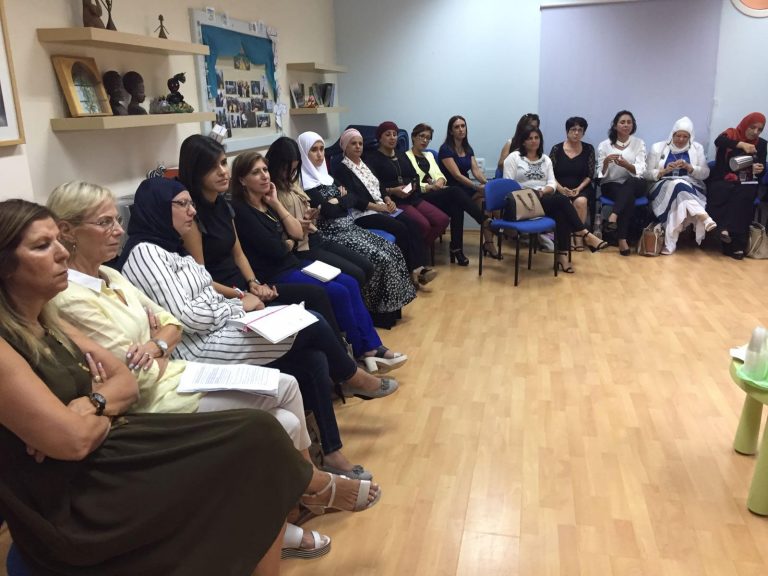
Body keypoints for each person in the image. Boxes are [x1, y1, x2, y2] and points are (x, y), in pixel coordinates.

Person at [0, 198, 314, 575]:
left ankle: (308, 491)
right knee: (253, 446)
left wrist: (92, 403)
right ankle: (316, 485)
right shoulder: (13, 339)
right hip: (73, 497)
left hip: (111, 447)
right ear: (5, 266)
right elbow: (76, 440)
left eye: (57, 240)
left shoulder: (48, 318)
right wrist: (102, 403)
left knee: (260, 429)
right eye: (42, 246)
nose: (62, 253)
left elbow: (126, 382)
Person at [51, 180, 395, 487]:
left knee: (313, 355)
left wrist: (160, 339)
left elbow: (172, 319)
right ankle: (349, 381)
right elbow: (183, 322)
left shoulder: (120, 271)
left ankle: (327, 455)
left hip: (200, 343)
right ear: (67, 231)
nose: (117, 230)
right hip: (196, 354)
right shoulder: (140, 255)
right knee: (312, 321)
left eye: (117, 220)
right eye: (105, 222)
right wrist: (232, 309)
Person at [230, 150, 407, 373]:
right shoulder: (242, 211)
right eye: (256, 172)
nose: (265, 175)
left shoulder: (268, 203)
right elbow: (276, 249)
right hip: (275, 274)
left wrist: (276, 204)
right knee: (338, 292)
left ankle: (372, 346)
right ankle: (360, 352)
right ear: (242, 180)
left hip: (293, 262)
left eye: (265, 170)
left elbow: (296, 233)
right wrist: (288, 242)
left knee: (350, 282)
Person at [176, 134, 341, 341]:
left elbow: (239, 254)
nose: (223, 171)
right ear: (195, 171)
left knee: (327, 296)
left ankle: (349, 354)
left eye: (224, 163)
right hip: (225, 296)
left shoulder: (223, 205)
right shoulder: (192, 215)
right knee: (316, 312)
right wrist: (244, 294)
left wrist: (253, 283)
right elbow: (201, 279)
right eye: (212, 167)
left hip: (247, 285)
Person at [298, 131, 417, 321]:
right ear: (304, 153)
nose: (320, 154)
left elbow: (350, 199)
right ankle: (378, 312)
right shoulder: (305, 184)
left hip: (349, 226)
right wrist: (340, 199)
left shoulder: (327, 176)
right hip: (332, 234)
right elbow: (329, 210)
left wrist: (338, 201)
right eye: (314, 150)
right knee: (380, 258)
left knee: (392, 250)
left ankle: (393, 309)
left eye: (321, 149)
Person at [334, 127, 441, 285]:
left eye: (360, 143)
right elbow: (353, 199)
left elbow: (380, 185)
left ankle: (419, 269)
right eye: (353, 143)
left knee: (413, 224)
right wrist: (379, 207)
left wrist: (387, 199)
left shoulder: (364, 163)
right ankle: (407, 273)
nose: (358, 147)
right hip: (363, 214)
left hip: (382, 207)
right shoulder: (341, 169)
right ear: (344, 146)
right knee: (400, 228)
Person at [267, 136, 374, 288]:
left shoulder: (291, 183)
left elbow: (352, 198)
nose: (289, 174)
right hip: (303, 245)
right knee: (356, 274)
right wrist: (336, 202)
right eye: (286, 170)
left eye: (293, 170)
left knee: (367, 267)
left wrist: (309, 215)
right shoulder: (273, 191)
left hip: (316, 236)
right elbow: (327, 211)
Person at [503, 126, 607, 273]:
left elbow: (552, 183)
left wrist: (542, 192)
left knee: (561, 212)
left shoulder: (545, 159)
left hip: (542, 199)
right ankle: (584, 234)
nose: (534, 141)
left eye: (536, 138)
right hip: (521, 202)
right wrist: (532, 193)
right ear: (523, 141)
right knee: (562, 201)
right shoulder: (514, 158)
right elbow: (508, 184)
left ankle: (563, 256)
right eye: (529, 138)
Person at [363, 121, 447, 282]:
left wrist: (410, 188)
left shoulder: (401, 155)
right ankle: (418, 265)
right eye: (388, 134)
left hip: (412, 197)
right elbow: (375, 186)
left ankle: (417, 255)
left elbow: (414, 176)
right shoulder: (372, 159)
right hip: (395, 201)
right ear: (379, 138)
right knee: (422, 225)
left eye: (395, 134)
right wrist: (393, 191)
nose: (392, 138)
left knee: (442, 219)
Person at [404, 123, 498, 264]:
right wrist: (429, 187)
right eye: (421, 136)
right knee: (455, 190)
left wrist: (439, 182)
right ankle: (483, 220)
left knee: (456, 207)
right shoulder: (405, 157)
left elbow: (440, 175)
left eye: (428, 138)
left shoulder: (429, 155)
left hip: (435, 193)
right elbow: (410, 184)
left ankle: (456, 249)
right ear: (413, 137)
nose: (424, 140)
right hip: (419, 196)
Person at [645, 117, 715, 255]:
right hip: (661, 185)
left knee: (678, 192)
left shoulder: (697, 148)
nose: (681, 139)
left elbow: (705, 173)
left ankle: (670, 242)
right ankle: (702, 215)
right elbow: (646, 173)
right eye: (678, 136)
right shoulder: (658, 147)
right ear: (672, 134)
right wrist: (664, 171)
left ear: (690, 137)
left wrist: (690, 168)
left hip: (691, 186)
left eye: (685, 137)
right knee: (677, 184)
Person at [706, 112, 767, 260]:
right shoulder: (731, 135)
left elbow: (761, 168)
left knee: (744, 194)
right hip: (724, 178)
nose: (755, 132)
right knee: (727, 189)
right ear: (745, 124)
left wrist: (758, 169)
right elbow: (719, 141)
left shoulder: (761, 144)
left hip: (747, 181)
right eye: (752, 127)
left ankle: (733, 238)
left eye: (760, 129)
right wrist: (741, 144)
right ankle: (728, 237)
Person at [596, 110, 648, 256]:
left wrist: (626, 165)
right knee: (627, 197)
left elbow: (641, 170)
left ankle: (614, 215)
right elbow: (600, 174)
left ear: (633, 125)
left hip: (635, 182)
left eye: (629, 122)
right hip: (612, 183)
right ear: (615, 125)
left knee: (630, 183)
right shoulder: (604, 145)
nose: (626, 125)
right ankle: (622, 240)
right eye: (622, 122)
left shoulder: (639, 143)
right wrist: (606, 162)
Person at [549, 116, 597, 247]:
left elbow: (590, 175)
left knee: (581, 202)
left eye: (580, 130)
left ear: (583, 132)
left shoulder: (589, 149)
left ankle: (578, 236)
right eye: (573, 129)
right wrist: (561, 189)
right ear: (567, 131)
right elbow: (549, 174)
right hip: (560, 187)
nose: (576, 133)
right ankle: (568, 236)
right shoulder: (556, 149)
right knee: (566, 202)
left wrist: (579, 188)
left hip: (581, 187)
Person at [438, 115, 488, 200]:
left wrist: (488, 184)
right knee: (483, 195)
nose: (461, 129)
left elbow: (476, 171)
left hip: (467, 186)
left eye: (463, 126)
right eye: (457, 127)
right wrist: (476, 187)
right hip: (453, 189)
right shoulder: (445, 149)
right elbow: (457, 175)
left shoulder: (468, 148)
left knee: (488, 195)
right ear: (451, 131)